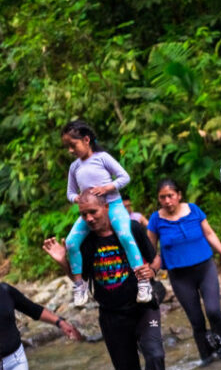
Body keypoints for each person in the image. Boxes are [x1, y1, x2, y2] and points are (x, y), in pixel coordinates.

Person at [42, 188, 171, 370]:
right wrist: (62, 261)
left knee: (155, 354)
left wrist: (152, 272)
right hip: (111, 315)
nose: (89, 218)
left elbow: (155, 259)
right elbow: (82, 278)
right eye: (83, 214)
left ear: (106, 208)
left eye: (93, 212)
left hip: (143, 307)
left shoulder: (131, 229)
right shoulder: (84, 243)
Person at [61, 120, 153, 308]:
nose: (70, 150)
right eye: (67, 147)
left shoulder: (102, 157)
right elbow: (70, 192)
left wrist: (107, 188)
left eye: (73, 145)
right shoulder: (74, 167)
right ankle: (80, 284)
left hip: (113, 205)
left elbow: (124, 177)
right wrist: (77, 199)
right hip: (90, 212)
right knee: (71, 242)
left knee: (126, 235)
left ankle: (143, 282)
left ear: (86, 140)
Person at [146, 178, 221, 366]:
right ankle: (207, 357)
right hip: (179, 276)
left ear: (178, 195)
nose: (167, 200)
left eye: (170, 196)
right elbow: (150, 249)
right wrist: (149, 270)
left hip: (205, 268)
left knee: (214, 311)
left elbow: (209, 233)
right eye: (163, 197)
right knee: (196, 319)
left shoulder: (193, 210)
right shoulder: (156, 220)